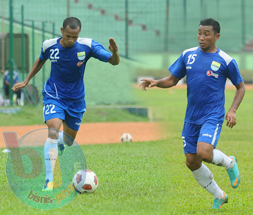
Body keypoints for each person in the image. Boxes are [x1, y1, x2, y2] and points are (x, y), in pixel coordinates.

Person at [140, 18, 245, 209]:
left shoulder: (226, 60)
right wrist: (156, 82)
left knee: (204, 152)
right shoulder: (188, 55)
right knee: (191, 161)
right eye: (199, 33)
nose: (201, 37)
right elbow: (172, 79)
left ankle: (229, 162)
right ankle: (219, 195)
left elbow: (241, 87)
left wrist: (232, 110)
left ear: (217, 36)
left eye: (206, 34)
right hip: (191, 116)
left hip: (212, 115)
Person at [12, 17, 120, 191]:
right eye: (68, 36)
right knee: (53, 129)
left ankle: (60, 144)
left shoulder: (88, 46)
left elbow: (114, 62)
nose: (71, 40)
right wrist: (26, 80)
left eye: (75, 37)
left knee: (69, 141)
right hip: (54, 95)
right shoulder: (49, 45)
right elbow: (40, 59)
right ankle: (49, 181)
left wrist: (115, 53)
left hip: (76, 99)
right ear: (62, 30)